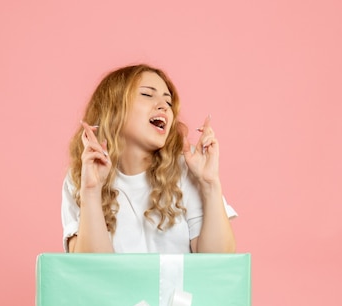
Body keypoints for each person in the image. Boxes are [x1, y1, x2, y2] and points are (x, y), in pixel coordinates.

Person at [61, 64, 236, 253]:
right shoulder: (81, 176)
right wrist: (91, 191)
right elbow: (90, 272)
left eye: (168, 102)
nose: (164, 106)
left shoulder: (185, 169)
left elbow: (219, 263)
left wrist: (209, 183)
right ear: (113, 108)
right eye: (147, 94)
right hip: (114, 284)